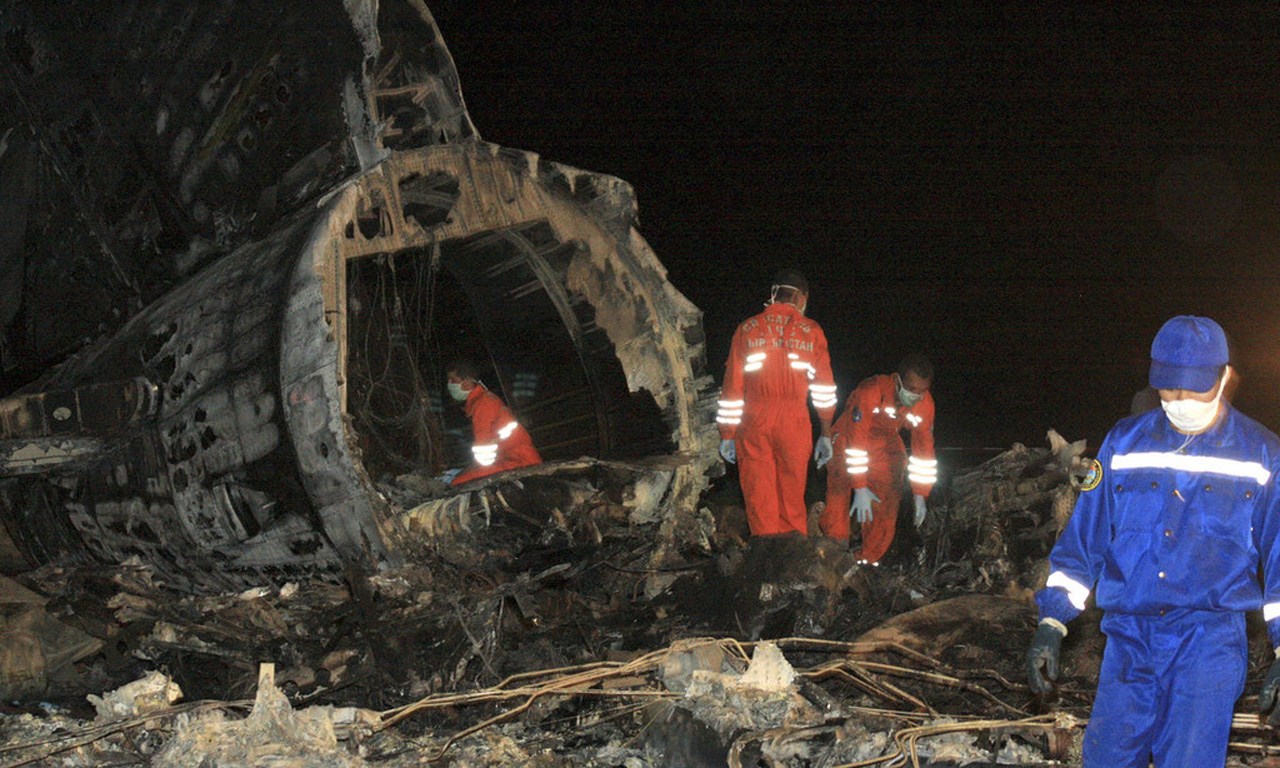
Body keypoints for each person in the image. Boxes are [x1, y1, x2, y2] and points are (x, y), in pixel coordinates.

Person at [1027, 315, 1280, 767]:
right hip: (1128, 641)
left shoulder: (1262, 455)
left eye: (1194, 390)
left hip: (1209, 643)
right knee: (1105, 758)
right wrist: (1052, 623)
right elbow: (1084, 541)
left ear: (1223, 377)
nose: (1181, 402)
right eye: (1170, 390)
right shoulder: (1122, 444)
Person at [716, 269, 838, 536]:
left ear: (773, 294)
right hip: (795, 422)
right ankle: (792, 560)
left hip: (754, 421)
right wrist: (826, 434)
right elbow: (824, 389)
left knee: (760, 498)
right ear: (802, 298)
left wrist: (727, 434)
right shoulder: (813, 331)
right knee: (793, 498)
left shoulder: (747, 329)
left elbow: (732, 388)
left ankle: (766, 558)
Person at [819, 354, 937, 564]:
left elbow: (924, 452)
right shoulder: (871, 391)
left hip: (885, 442)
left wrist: (921, 494)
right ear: (897, 380)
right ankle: (833, 551)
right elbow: (856, 442)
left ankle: (868, 560)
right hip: (848, 438)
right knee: (838, 492)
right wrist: (860, 486)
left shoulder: (925, 405)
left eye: (922, 391)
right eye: (911, 388)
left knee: (890, 492)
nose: (916, 395)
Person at [443, 360, 542, 486]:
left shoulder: (482, 405)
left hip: (519, 462)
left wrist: (462, 474)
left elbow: (484, 455)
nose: (449, 384)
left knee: (457, 483)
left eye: (453, 380)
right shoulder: (484, 399)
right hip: (517, 458)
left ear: (467, 383)